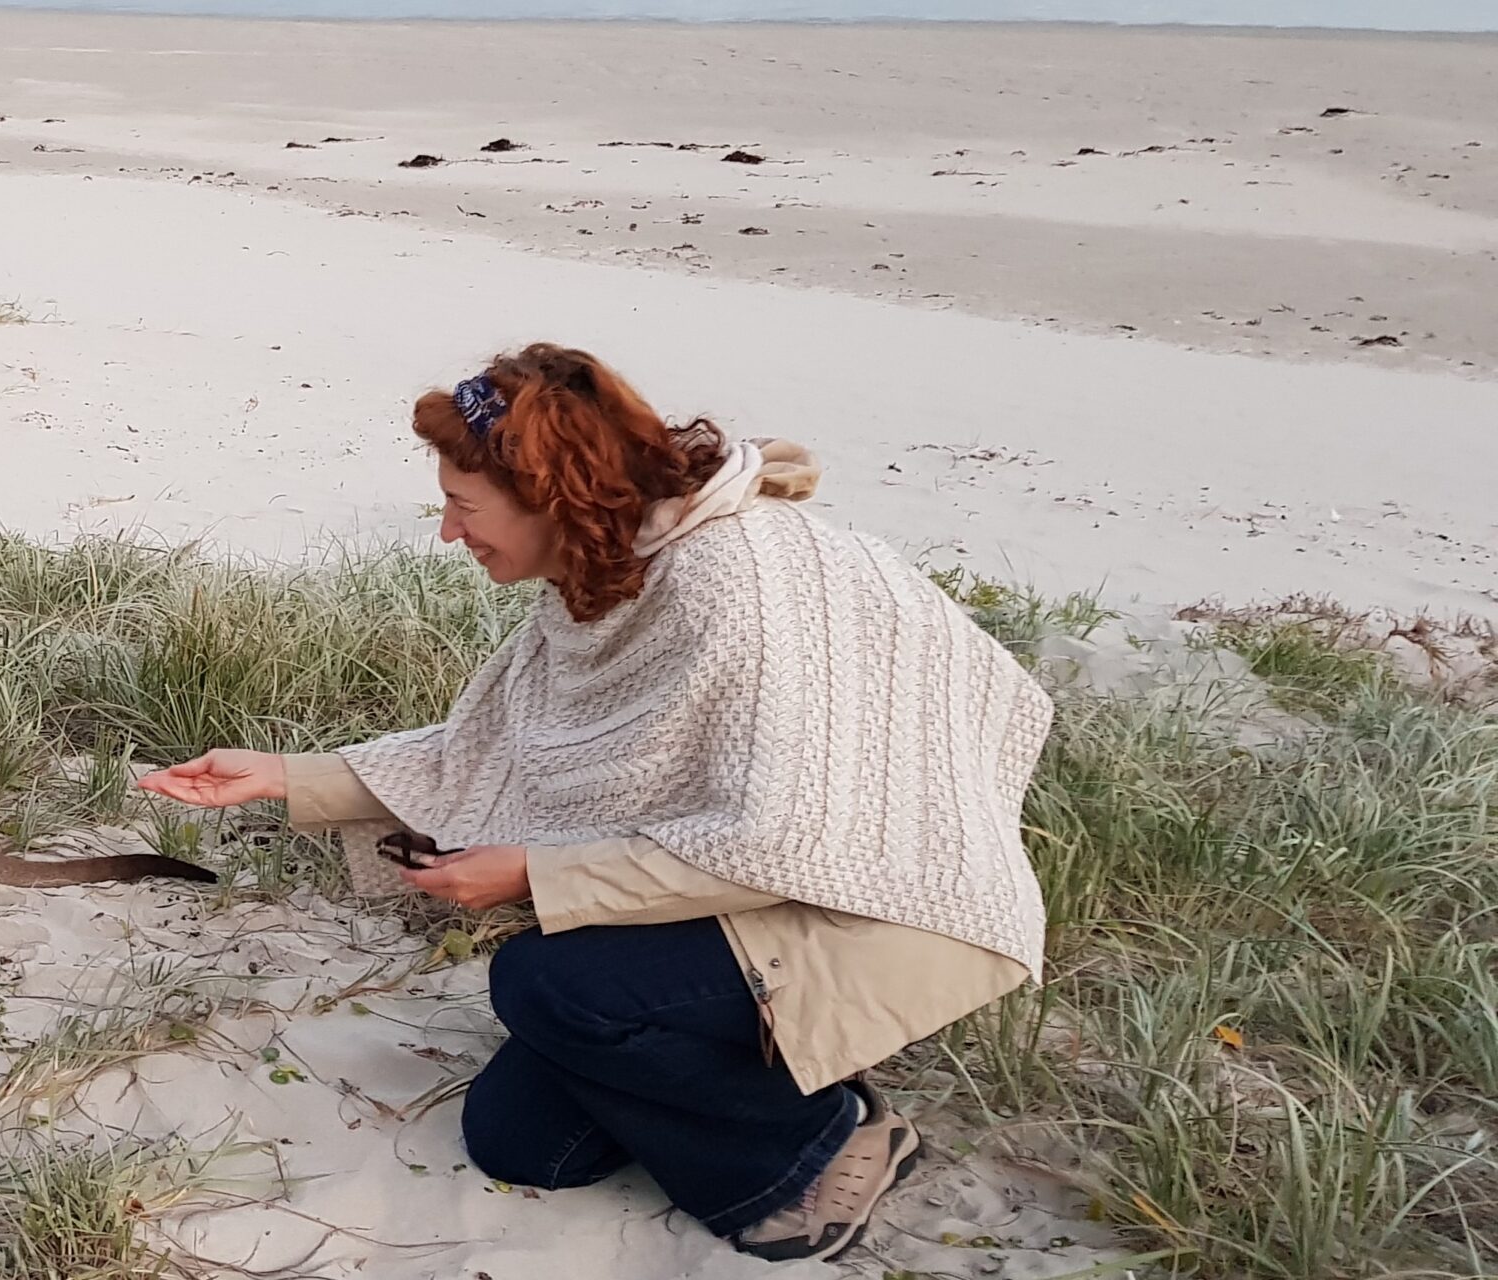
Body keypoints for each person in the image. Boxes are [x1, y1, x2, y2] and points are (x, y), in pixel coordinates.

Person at [138, 342, 1052, 1263]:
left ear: (549, 498)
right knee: (520, 1143)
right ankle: (744, 1057)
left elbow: (778, 835)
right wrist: (287, 775)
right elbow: (493, 750)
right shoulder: (616, 563)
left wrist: (535, 870)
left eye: (463, 506)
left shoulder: (736, 581)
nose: (450, 534)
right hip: (762, 878)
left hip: (885, 902)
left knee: (546, 985)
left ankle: (822, 1140)